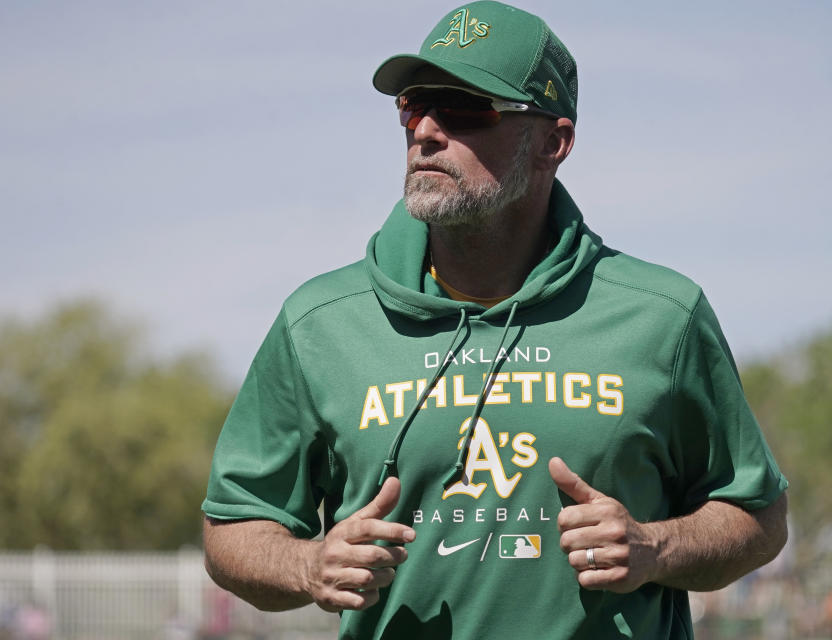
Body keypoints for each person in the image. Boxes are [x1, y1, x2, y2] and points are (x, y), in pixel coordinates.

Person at [201, 2, 789, 638]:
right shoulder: (319, 323)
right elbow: (233, 529)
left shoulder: (662, 316)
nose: (425, 128)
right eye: (412, 104)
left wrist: (654, 548)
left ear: (552, 143)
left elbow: (758, 517)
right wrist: (309, 564)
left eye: (463, 109)